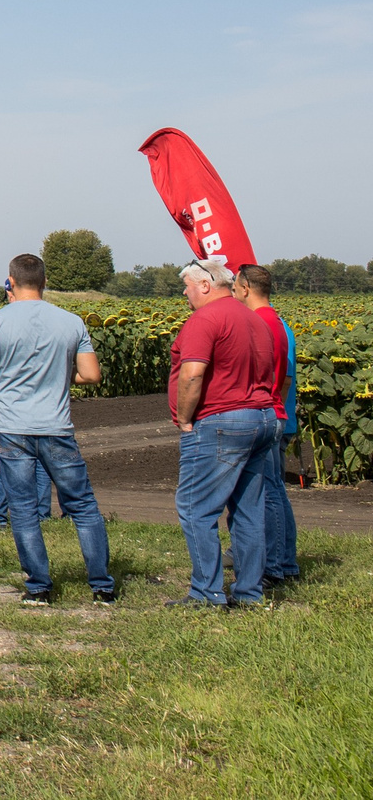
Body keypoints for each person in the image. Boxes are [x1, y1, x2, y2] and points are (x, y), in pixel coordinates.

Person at [0, 254, 113, 606]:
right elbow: (92, 375)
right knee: (83, 506)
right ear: (45, 282)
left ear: (11, 283)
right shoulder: (71, 321)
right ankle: (102, 586)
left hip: (12, 428)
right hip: (57, 426)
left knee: (23, 508)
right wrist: (59, 375)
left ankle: (38, 587)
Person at [168, 256, 279, 608]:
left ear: (204, 285)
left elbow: (193, 373)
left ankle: (206, 593)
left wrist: (185, 419)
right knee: (248, 510)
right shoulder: (254, 318)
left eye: (187, 287)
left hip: (222, 421)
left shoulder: (206, 318)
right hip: (261, 418)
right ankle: (248, 593)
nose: (185, 295)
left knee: (195, 508)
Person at [233, 264, 301, 588]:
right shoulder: (277, 322)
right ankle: (284, 562)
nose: (232, 293)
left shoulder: (264, 323)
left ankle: (275, 565)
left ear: (245, 288)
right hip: (276, 414)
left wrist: (272, 408)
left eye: (234, 287)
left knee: (269, 491)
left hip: (268, 415)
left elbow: (283, 377)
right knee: (275, 490)